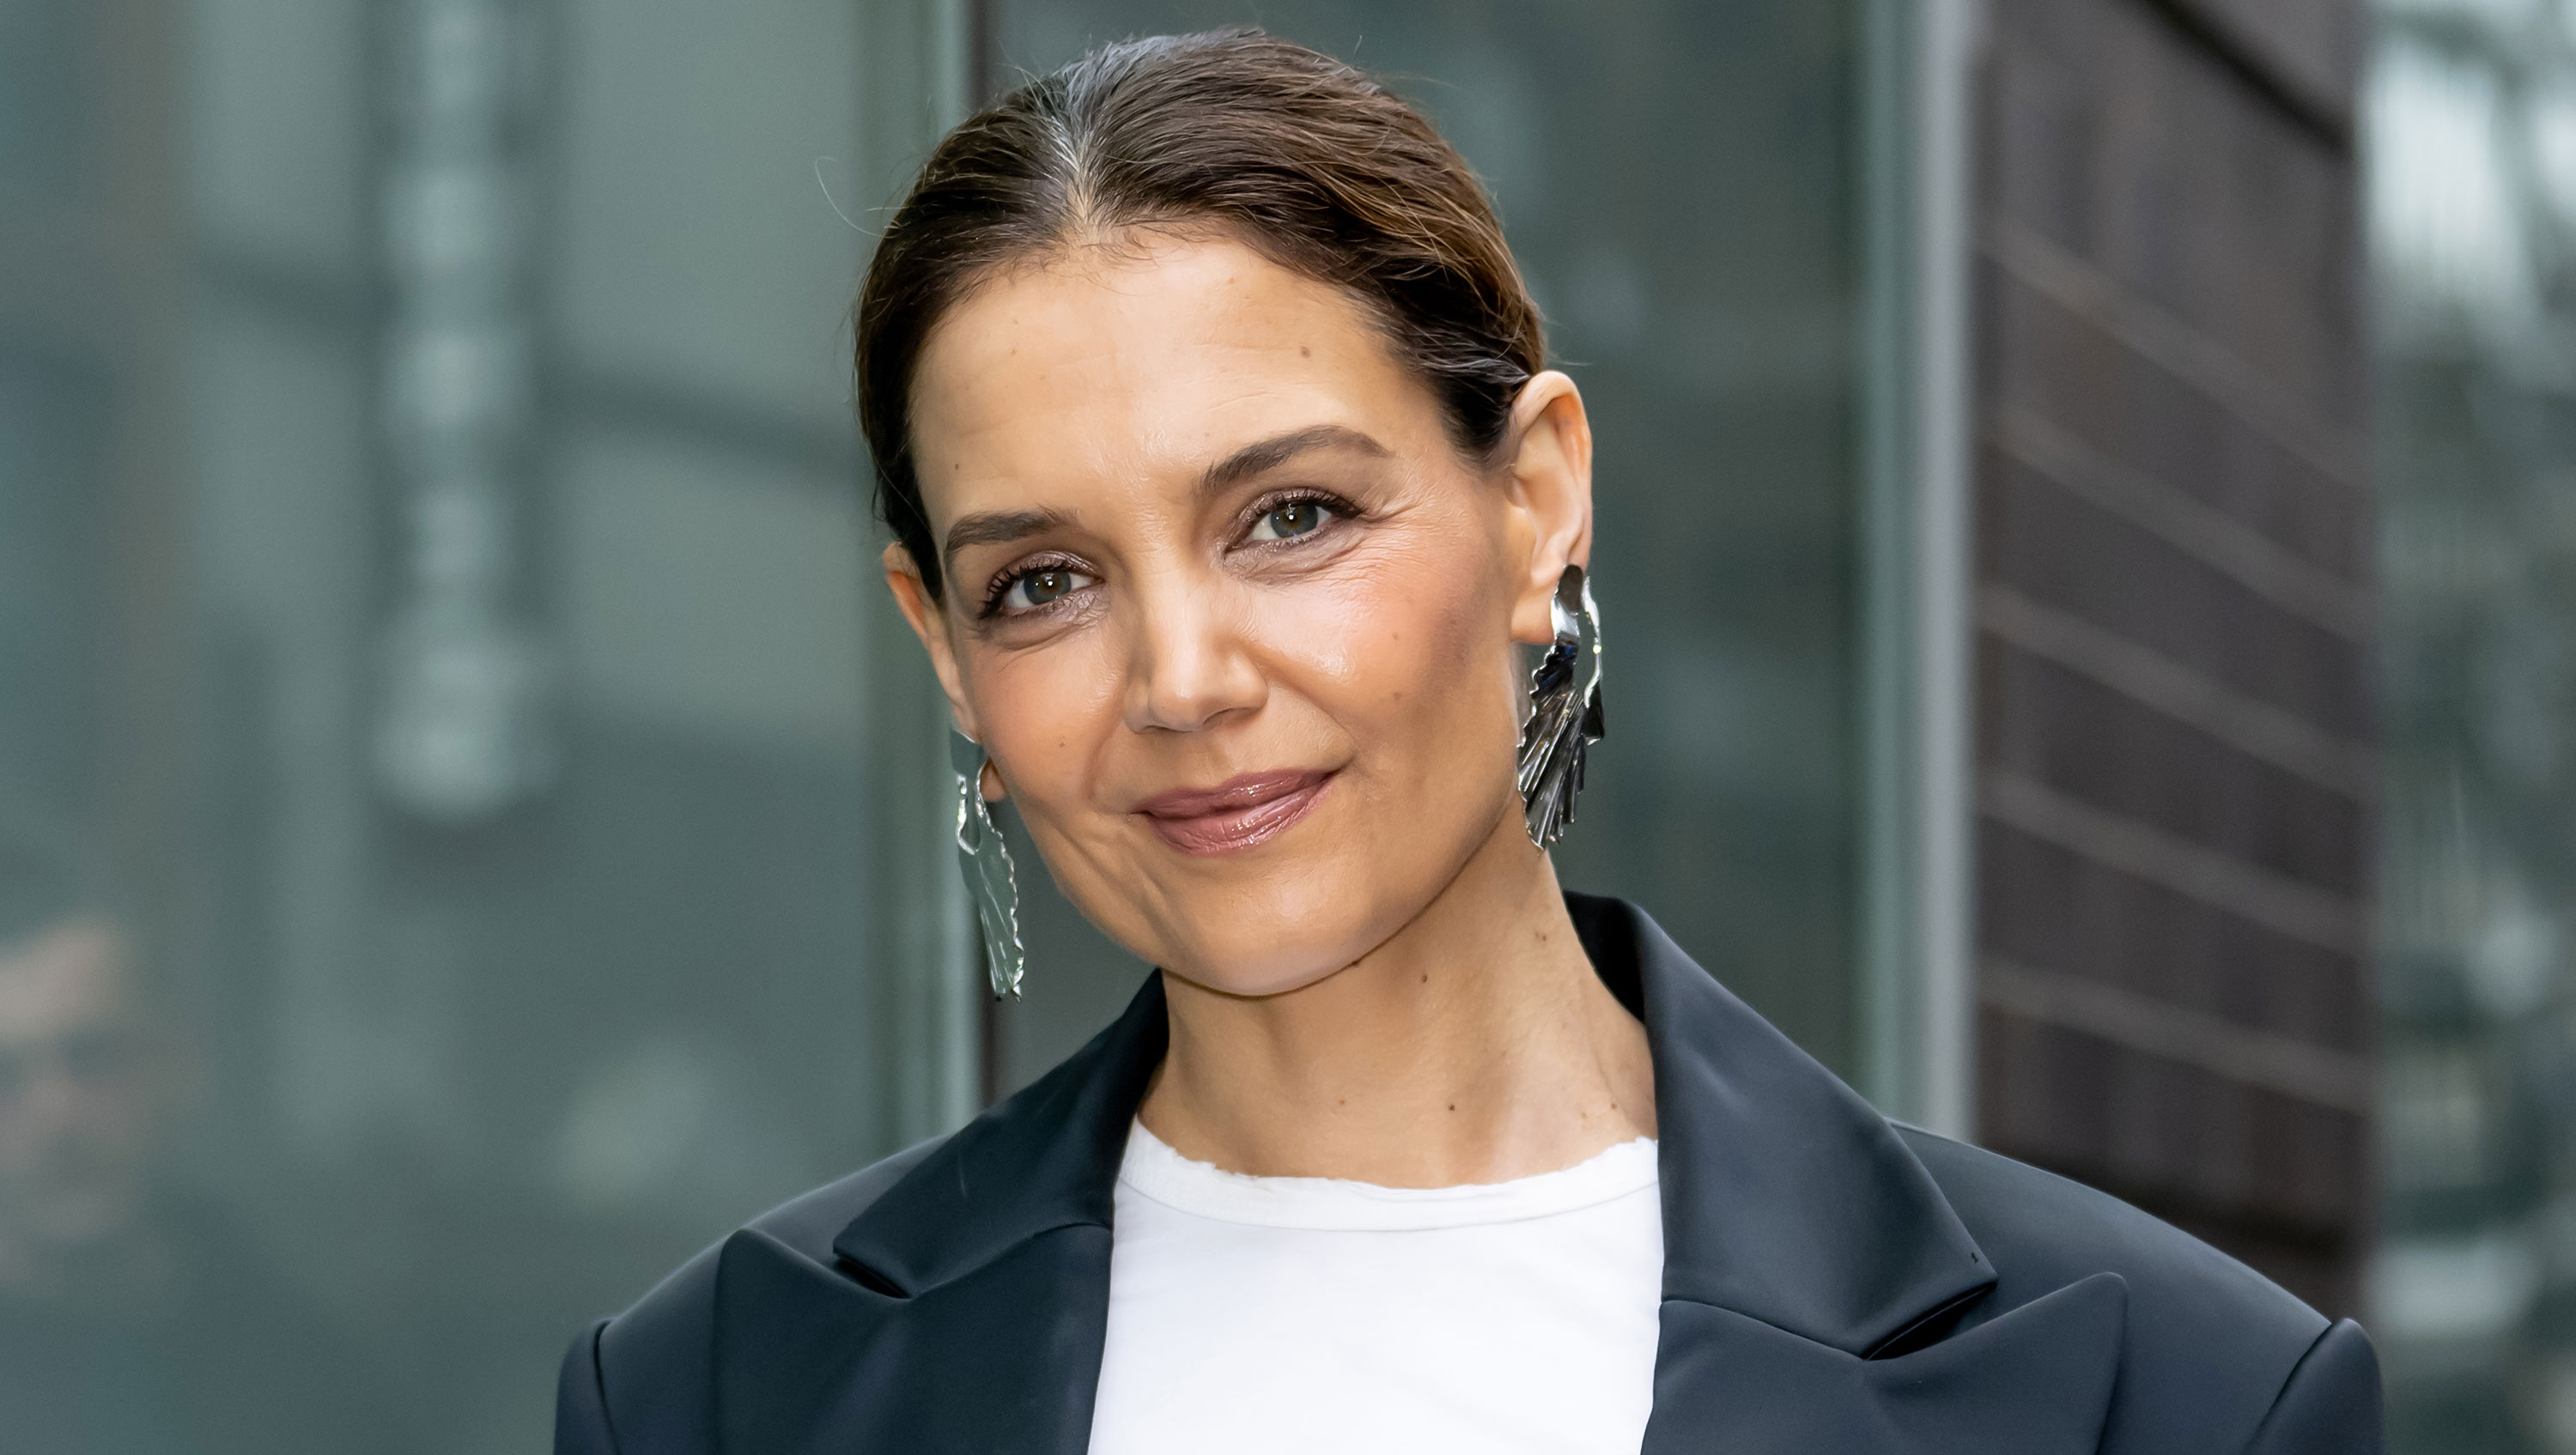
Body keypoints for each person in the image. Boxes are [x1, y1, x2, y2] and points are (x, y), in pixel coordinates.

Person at [556, 29, 2380, 1454]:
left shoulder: (2167, 1398)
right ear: (944, 652)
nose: (1181, 678)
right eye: (1044, 582)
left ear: (1536, 506)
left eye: (1289, 518)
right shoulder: (715, 1394)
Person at [0, 857, 400, 1453]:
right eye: (5, 1075)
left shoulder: (303, 1372)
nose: (56, 1116)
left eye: (94, 1057)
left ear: (175, 1065)